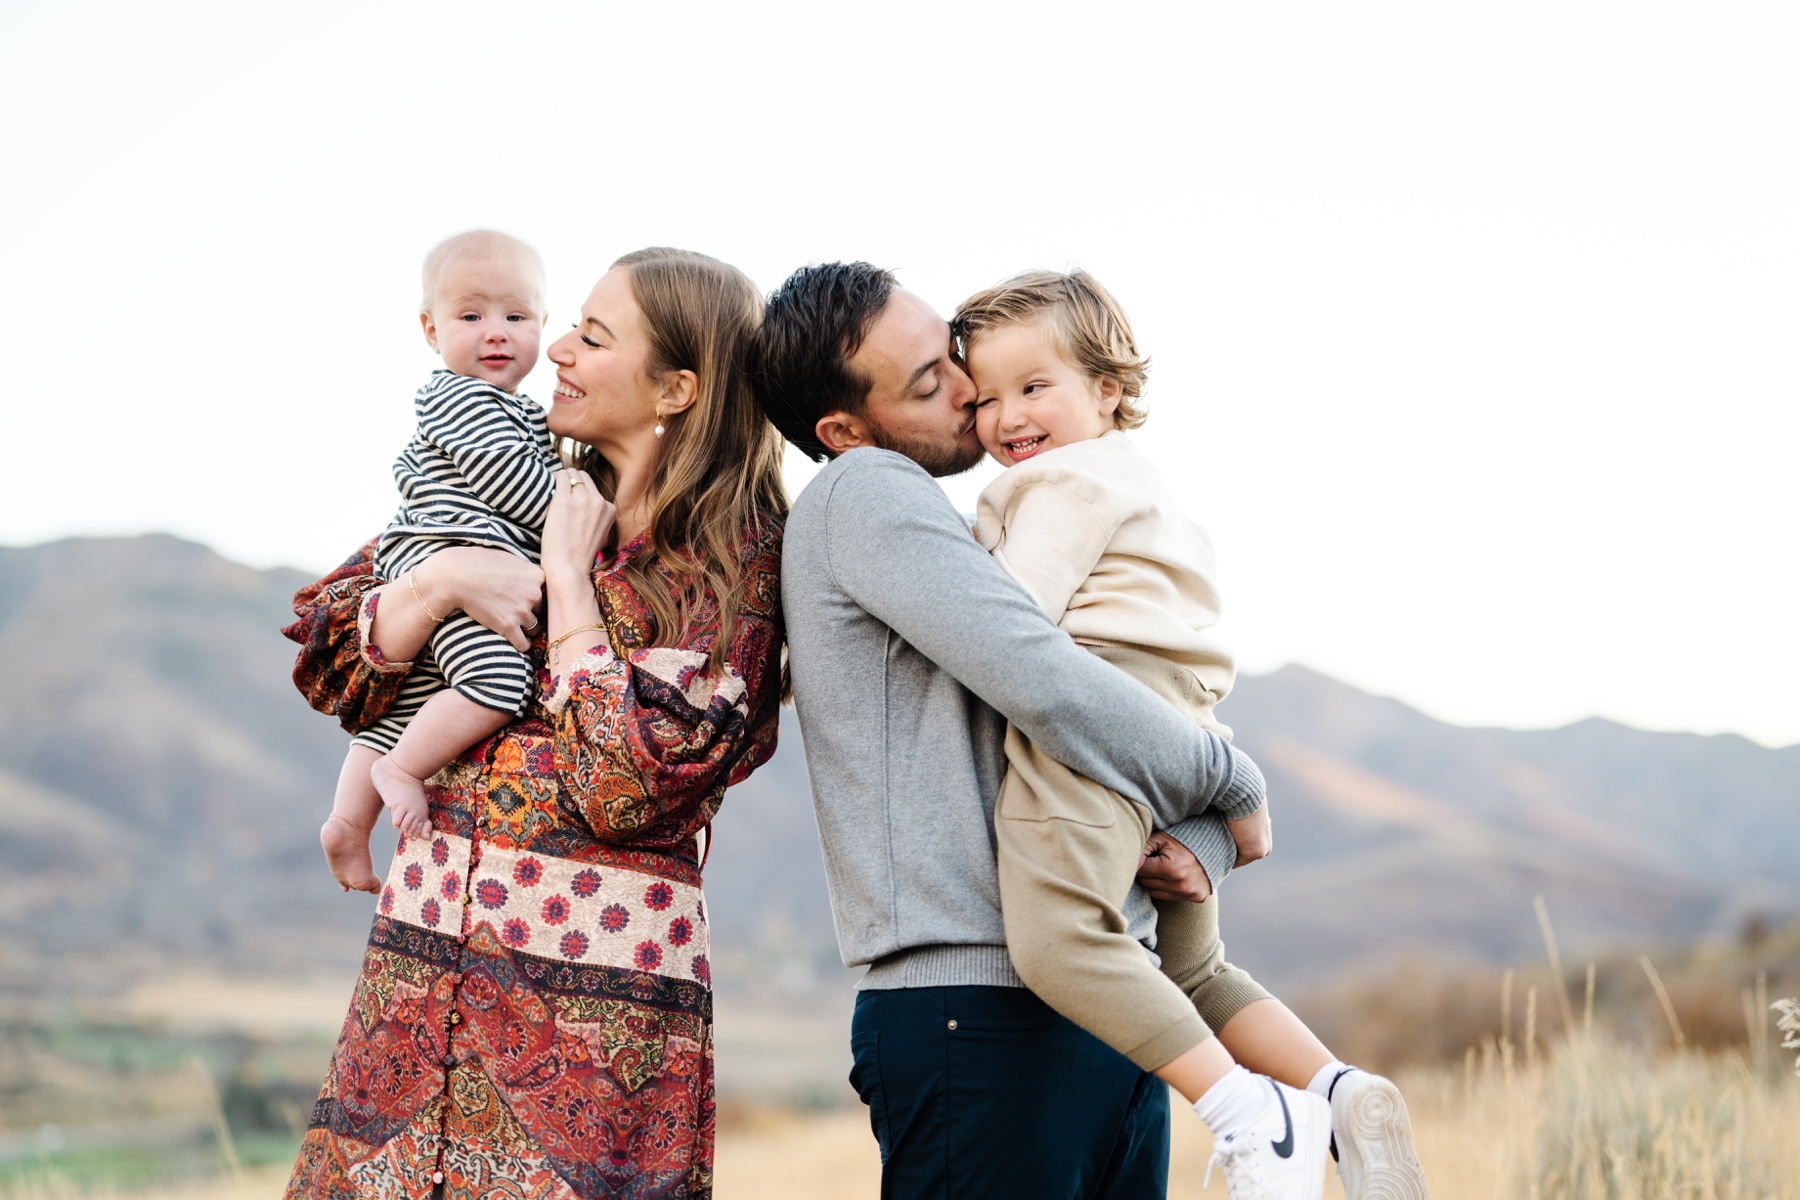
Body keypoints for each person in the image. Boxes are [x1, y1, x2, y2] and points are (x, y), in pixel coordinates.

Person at [751, 261, 1269, 1200]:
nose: (969, 392)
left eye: (949, 355)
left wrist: (1198, 835)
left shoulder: (977, 528)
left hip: (1096, 987)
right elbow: (1049, 685)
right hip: (976, 1009)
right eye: (928, 383)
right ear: (844, 431)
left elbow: (1099, 717)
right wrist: (1234, 786)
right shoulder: (865, 491)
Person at [282, 247, 787, 1200]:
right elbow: (331, 656)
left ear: (677, 388)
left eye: (592, 336)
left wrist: (566, 581)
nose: (552, 346)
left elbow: (636, 786)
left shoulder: (733, 554)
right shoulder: (515, 478)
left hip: (586, 1021)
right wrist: (437, 584)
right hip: (421, 981)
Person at [956, 268, 1429, 1200]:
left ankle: (1254, 1116)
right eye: (984, 397)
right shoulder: (1151, 491)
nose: (1006, 416)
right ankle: (1337, 1090)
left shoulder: (1062, 485)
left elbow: (1008, 622)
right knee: (1194, 966)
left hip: (1096, 726)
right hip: (1185, 725)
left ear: (1109, 388)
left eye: (1033, 386)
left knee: (1058, 943)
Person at [321, 229, 560, 896]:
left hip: (449, 564)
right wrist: (577, 518)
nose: (496, 333)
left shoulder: (518, 409)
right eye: (471, 315)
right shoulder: (458, 398)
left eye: (516, 316)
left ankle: (347, 819)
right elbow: (512, 483)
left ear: (542, 324)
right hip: (450, 555)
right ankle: (399, 774)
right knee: (498, 683)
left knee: (411, 703)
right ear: (430, 329)